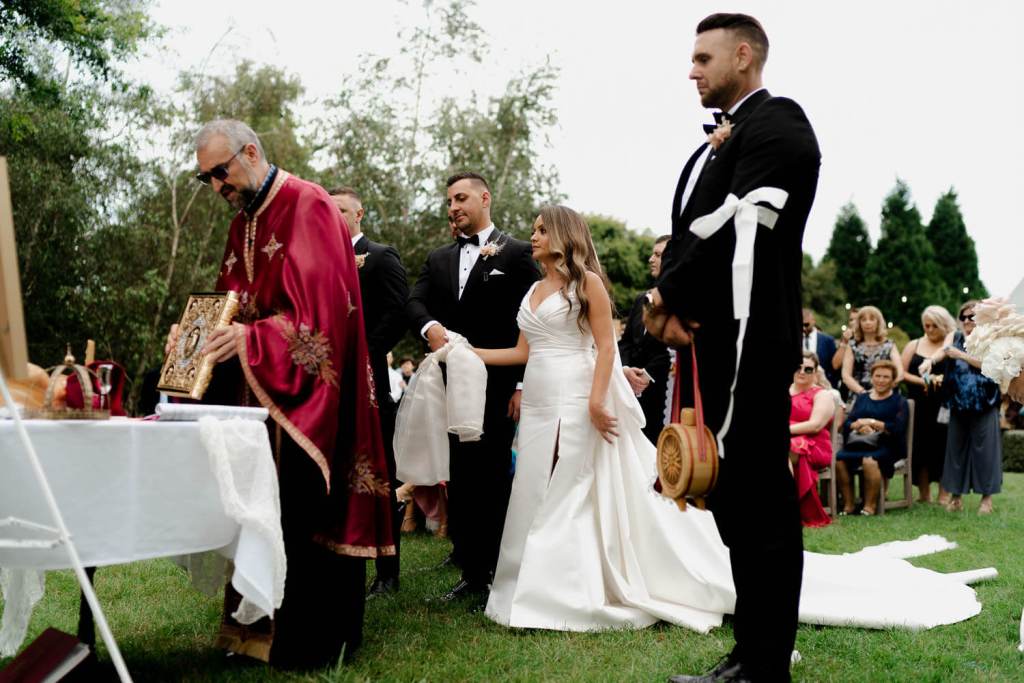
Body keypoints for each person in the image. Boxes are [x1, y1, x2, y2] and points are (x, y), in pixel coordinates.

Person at [472, 206, 984, 658]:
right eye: (533, 230)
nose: (532, 236)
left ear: (564, 234)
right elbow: (523, 351)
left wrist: (594, 399)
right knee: (536, 485)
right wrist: (464, 350)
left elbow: (606, 348)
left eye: (541, 229)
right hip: (539, 398)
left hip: (582, 393)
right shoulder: (534, 288)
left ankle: (571, 587)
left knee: (580, 487)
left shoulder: (588, 284)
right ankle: (526, 582)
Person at [168, 120, 393, 669]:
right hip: (258, 399)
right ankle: (252, 632)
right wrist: (193, 337)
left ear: (250, 152)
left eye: (220, 173)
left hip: (305, 399)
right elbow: (231, 304)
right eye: (206, 180)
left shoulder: (309, 206)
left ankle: (307, 641)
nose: (217, 187)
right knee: (255, 508)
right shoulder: (242, 222)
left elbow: (318, 323)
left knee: (299, 508)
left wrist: (249, 337)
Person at [640, 13, 820, 681]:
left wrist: (664, 298)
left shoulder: (782, 124)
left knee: (762, 502)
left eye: (703, 57)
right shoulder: (726, 139)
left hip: (752, 340)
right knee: (736, 504)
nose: (692, 71)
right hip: (713, 341)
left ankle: (766, 663)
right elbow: (691, 232)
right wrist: (668, 307)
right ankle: (750, 652)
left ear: (743, 55)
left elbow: (730, 224)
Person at [406, 171, 539, 605]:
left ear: (485, 198)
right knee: (461, 476)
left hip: (499, 384)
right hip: (450, 386)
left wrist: (520, 384)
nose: (453, 207)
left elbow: (532, 321)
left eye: (460, 198)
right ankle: (471, 570)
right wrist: (429, 327)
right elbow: (414, 300)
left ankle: (498, 571)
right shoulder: (439, 258)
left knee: (493, 475)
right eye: (448, 202)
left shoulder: (518, 254)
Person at [327, 186, 409, 598]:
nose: (335, 216)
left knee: (381, 475)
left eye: (341, 209)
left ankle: (388, 572)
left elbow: (398, 311)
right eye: (329, 210)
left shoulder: (380, 256)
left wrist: (362, 351)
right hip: (327, 383)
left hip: (369, 379)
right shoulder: (320, 260)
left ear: (359, 214)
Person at [920, 301, 1002, 514]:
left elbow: (991, 365)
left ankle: (986, 499)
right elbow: (944, 351)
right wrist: (930, 360)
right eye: (964, 317)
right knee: (956, 451)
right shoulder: (955, 337)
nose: (967, 321)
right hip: (957, 402)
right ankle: (956, 497)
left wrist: (962, 355)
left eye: (972, 317)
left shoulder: (991, 337)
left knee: (985, 451)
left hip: (985, 402)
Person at [835, 359, 908, 516]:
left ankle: (870, 506)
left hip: (887, 445)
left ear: (893, 380)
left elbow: (898, 428)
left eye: (886, 377)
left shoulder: (899, 401)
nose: (881, 380)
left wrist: (874, 423)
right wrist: (859, 426)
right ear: (872, 377)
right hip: (860, 443)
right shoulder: (862, 398)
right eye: (878, 376)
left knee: (869, 461)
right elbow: (847, 423)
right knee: (839, 460)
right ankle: (848, 505)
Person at [619, 235, 672, 444]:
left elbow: (670, 350)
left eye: (657, 255)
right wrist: (624, 369)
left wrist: (647, 376)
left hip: (662, 393)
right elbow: (626, 341)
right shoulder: (642, 299)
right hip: (629, 392)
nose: (650, 259)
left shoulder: (680, 303)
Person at [901, 305, 956, 504]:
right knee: (920, 448)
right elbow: (902, 372)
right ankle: (924, 493)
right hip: (919, 404)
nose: (930, 330)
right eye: (926, 326)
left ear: (943, 325)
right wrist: (925, 380)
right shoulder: (913, 345)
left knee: (944, 447)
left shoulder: (951, 346)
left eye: (934, 326)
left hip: (944, 404)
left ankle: (944, 493)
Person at [788, 351, 836, 527]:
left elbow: (815, 425)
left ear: (815, 373)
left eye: (808, 369)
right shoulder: (783, 390)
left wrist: (783, 432)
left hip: (815, 446)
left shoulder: (822, 395)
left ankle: (789, 508)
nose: (802, 372)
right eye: (798, 367)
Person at [842, 306, 903, 398]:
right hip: (859, 394)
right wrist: (863, 393)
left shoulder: (889, 344)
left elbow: (900, 373)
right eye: (864, 320)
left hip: (886, 394)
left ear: (878, 322)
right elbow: (846, 375)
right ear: (859, 323)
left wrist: (883, 390)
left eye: (872, 319)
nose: (868, 323)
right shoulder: (852, 345)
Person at [802, 309, 839, 388]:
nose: (804, 328)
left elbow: (833, 368)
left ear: (813, 321)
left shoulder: (827, 340)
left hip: (823, 384)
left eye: (806, 324)